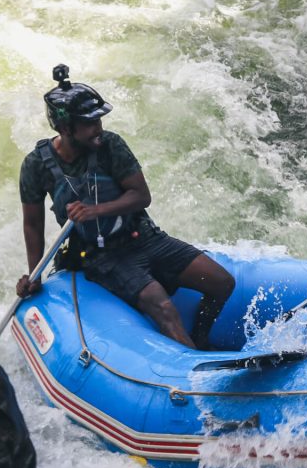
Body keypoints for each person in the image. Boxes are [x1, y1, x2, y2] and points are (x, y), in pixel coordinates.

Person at [16, 64, 234, 350]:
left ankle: (201, 339)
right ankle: (195, 373)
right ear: (66, 127)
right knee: (163, 308)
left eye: (99, 120)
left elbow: (141, 196)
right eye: (90, 123)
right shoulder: (35, 165)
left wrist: (96, 210)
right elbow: (32, 224)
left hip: (143, 237)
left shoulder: (110, 145)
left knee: (221, 282)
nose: (99, 128)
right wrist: (35, 275)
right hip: (101, 254)